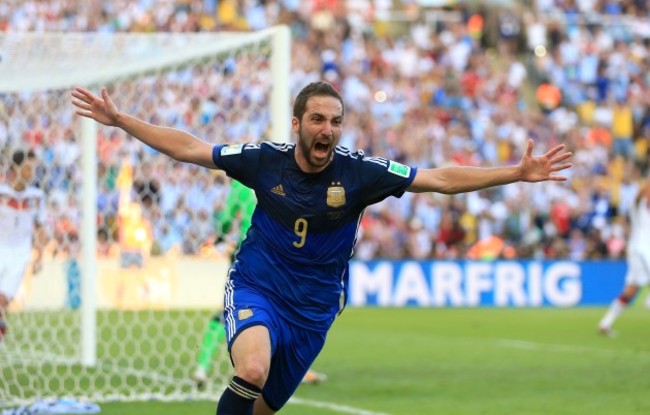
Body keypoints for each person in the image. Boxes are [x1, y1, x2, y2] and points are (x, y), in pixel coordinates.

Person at [71, 81, 572, 415]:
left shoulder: (360, 172)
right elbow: (191, 148)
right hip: (259, 284)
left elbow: (437, 178)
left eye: (334, 121)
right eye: (316, 119)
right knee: (250, 369)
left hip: (313, 310)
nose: (326, 130)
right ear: (297, 124)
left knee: (259, 409)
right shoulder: (264, 161)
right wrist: (122, 121)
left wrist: (516, 172)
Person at [193, 180, 327, 389]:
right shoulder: (286, 177)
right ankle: (294, 368)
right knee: (286, 310)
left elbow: (227, 218)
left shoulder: (243, 182)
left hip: (250, 251)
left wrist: (219, 237)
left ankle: (202, 367)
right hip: (281, 254)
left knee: (231, 310)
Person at [0, 149, 48, 342]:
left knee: (3, 299)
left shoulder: (36, 196)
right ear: (15, 169)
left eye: (33, 169)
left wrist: (40, 256)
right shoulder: (2, 193)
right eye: (27, 168)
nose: (31, 173)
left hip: (20, 253)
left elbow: (40, 227)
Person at [598, 179, 650, 336]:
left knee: (630, 291)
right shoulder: (639, 207)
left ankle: (605, 324)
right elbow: (641, 194)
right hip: (642, 250)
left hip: (637, 250)